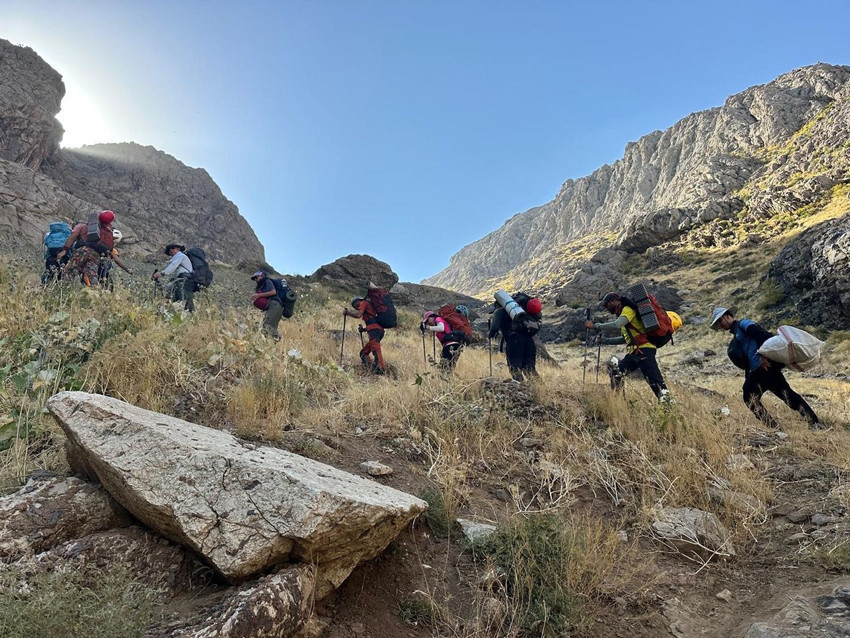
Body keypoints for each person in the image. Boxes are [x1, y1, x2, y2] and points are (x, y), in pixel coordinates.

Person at [710, 306, 824, 430]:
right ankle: (805, 423)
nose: (720, 325)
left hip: (765, 367)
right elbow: (749, 354)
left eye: (720, 321)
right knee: (782, 395)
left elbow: (761, 335)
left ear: (728, 316)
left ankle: (784, 426)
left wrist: (762, 355)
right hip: (759, 371)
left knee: (758, 397)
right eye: (718, 323)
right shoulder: (737, 332)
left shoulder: (744, 324)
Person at [586, 292, 670, 402]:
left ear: (613, 301)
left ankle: (668, 406)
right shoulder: (622, 314)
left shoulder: (627, 309)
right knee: (616, 373)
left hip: (644, 350)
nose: (607, 308)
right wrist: (605, 341)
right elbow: (625, 339)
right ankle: (620, 402)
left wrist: (595, 326)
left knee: (655, 381)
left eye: (607, 305)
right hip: (635, 352)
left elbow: (617, 324)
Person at [488, 293, 541, 381]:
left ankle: (520, 390)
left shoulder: (500, 311)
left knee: (515, 368)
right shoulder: (523, 311)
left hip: (514, 341)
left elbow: (494, 329)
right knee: (530, 369)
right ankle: (540, 388)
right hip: (529, 342)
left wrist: (490, 334)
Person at [59, 211, 120, 286]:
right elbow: (112, 253)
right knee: (91, 274)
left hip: (83, 251)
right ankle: (92, 291)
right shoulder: (108, 231)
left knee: (70, 270)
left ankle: (65, 288)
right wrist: (127, 269)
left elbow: (72, 237)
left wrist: (65, 250)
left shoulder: (83, 226)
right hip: (96, 255)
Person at [343, 295, 385, 374]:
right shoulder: (369, 307)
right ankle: (371, 368)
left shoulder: (364, 303)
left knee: (376, 349)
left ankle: (381, 370)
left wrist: (348, 313)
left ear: (358, 301)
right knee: (363, 353)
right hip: (377, 330)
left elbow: (358, 315)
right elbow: (372, 322)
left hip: (374, 331)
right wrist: (364, 329)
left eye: (355, 305)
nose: (356, 307)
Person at [153, 244, 195, 311]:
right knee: (172, 298)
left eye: (171, 250)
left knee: (184, 301)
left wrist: (162, 273)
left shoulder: (180, 256)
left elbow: (173, 265)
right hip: (181, 281)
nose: (171, 252)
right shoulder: (178, 257)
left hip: (184, 281)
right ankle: (162, 312)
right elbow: (170, 266)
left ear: (175, 249)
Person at [250, 270, 284, 341]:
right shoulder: (261, 286)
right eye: (254, 279)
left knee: (268, 326)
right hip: (271, 307)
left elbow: (273, 292)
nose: (255, 280)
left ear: (262, 276)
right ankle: (272, 344)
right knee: (264, 327)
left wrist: (258, 295)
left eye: (256, 277)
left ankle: (278, 341)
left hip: (275, 305)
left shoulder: (267, 281)